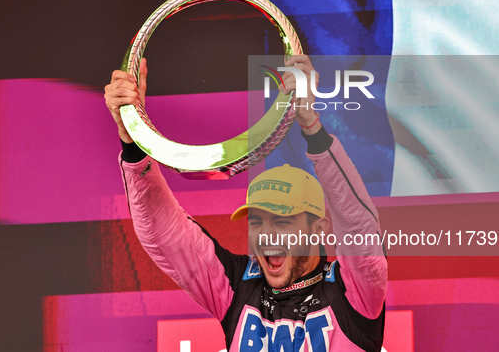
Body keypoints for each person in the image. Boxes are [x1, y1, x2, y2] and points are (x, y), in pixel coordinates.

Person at [105, 55, 387, 351]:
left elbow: (359, 227)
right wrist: (133, 141)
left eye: (281, 221)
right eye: (257, 222)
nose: (267, 235)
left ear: (317, 229)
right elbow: (164, 234)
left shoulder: (353, 292)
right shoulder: (237, 284)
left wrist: (313, 128)